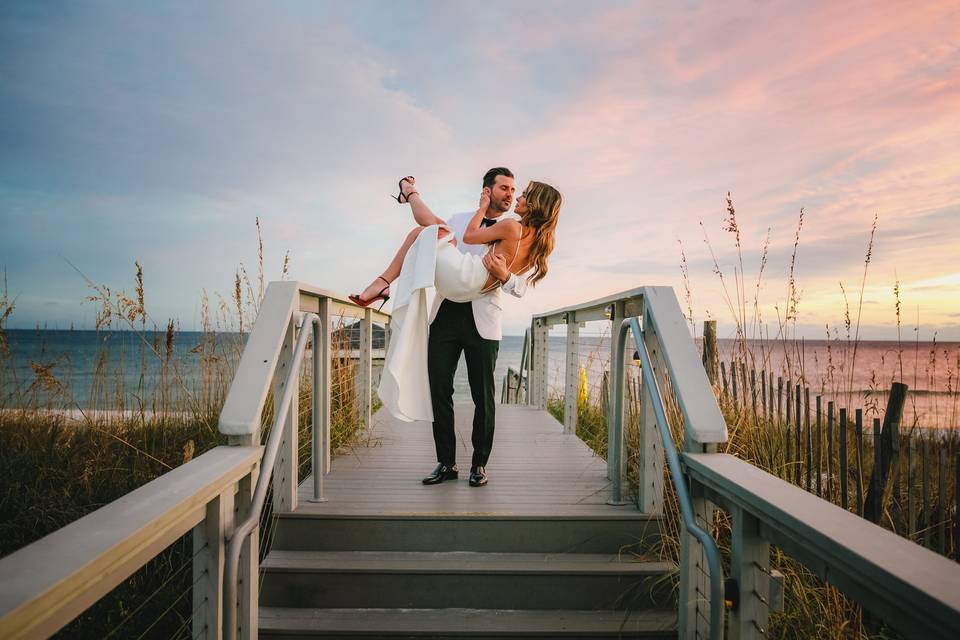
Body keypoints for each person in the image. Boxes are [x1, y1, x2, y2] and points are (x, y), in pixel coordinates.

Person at [350, 168, 562, 487]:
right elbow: (461, 239)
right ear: (487, 190)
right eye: (504, 188)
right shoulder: (461, 218)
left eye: (515, 190)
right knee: (439, 390)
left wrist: (506, 276)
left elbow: (521, 287)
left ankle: (479, 465)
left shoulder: (518, 231)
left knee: (484, 397)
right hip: (448, 309)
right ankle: (446, 463)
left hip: (483, 315)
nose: (511, 194)